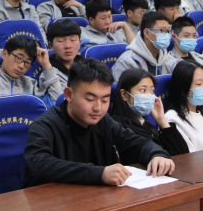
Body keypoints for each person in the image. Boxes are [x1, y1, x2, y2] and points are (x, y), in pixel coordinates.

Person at [23, 58, 174, 187]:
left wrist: (157, 154)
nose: (98, 108)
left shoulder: (104, 122)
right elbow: (40, 164)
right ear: (68, 94)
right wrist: (99, 173)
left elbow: (136, 143)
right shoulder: (45, 125)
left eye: (105, 100)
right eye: (90, 99)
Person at [0, 35, 62, 107]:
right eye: (19, 58)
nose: (21, 66)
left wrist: (47, 66)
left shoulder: (29, 84)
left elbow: (55, 104)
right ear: (5, 54)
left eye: (27, 62)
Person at [111, 69, 189, 156]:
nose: (149, 96)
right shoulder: (121, 128)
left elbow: (183, 153)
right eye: (143, 90)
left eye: (152, 91)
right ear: (124, 95)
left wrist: (161, 120)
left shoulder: (143, 123)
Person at [111, 12, 176, 80]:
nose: (166, 35)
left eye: (167, 31)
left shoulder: (170, 61)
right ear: (147, 33)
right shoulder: (127, 62)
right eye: (162, 30)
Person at [47, 19, 84, 93]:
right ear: (51, 46)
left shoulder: (87, 67)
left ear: (80, 43)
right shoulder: (48, 73)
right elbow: (57, 98)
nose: (68, 46)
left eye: (73, 40)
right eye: (60, 41)